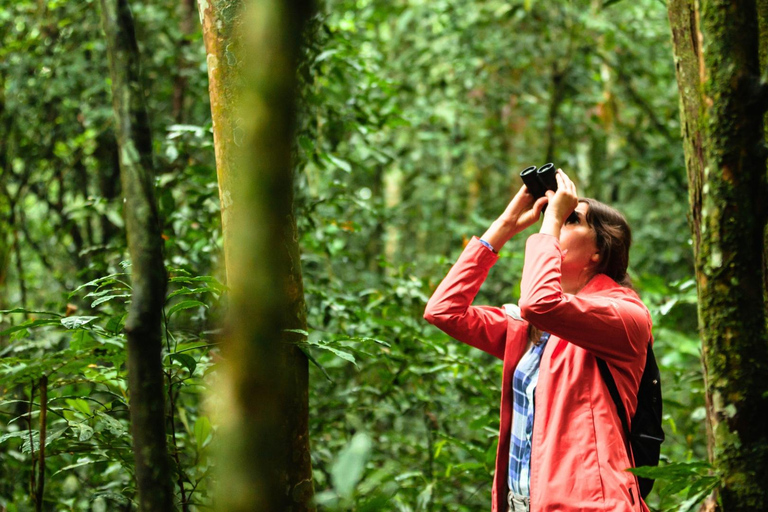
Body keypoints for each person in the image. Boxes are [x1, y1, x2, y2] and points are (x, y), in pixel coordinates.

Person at [423, 170, 652, 512]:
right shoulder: (531, 328)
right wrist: (506, 223)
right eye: (556, 216)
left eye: (571, 219)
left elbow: (540, 302)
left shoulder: (624, 315)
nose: (555, 222)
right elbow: (444, 311)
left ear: (599, 252)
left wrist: (551, 221)